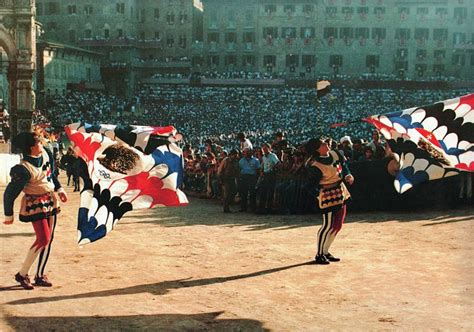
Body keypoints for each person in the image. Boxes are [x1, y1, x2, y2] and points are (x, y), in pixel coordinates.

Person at [3, 132, 68, 289]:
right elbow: (10, 192)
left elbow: (51, 174)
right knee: (43, 238)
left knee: (48, 238)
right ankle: (22, 273)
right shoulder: (23, 169)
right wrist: (8, 214)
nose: (42, 143)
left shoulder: (46, 154)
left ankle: (40, 274)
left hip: (50, 199)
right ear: (30, 148)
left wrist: (59, 189)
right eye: (38, 142)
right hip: (35, 202)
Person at [305, 138, 354, 265]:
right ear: (317, 149)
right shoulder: (315, 166)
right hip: (327, 196)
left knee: (337, 224)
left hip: (340, 191)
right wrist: (319, 195)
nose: (326, 143)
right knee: (327, 225)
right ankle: (319, 254)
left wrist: (348, 174)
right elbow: (310, 186)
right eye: (322, 143)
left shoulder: (335, 153)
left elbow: (343, 166)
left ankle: (326, 251)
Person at [238, 148, 260, 212]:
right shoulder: (241, 160)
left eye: (247, 152)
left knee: (252, 193)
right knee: (243, 193)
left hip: (252, 177)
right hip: (244, 177)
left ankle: (253, 208)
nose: (246, 153)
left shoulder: (256, 160)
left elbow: (258, 170)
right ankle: (243, 208)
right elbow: (239, 169)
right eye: (245, 152)